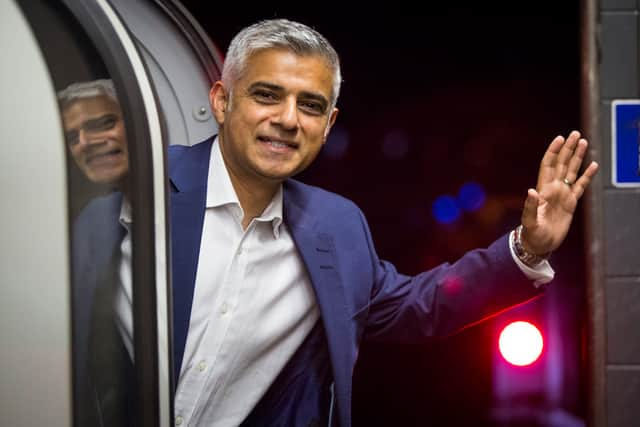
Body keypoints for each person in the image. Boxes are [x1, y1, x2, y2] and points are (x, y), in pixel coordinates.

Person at [167, 19, 598, 427]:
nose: (288, 119)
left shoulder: (335, 226)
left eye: (311, 105)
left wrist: (530, 248)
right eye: (267, 95)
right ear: (222, 100)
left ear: (328, 124)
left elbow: (416, 306)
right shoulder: (147, 188)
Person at [58, 79, 134, 427]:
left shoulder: (198, 207)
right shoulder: (93, 220)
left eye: (103, 124)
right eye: (73, 137)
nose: (85, 144)